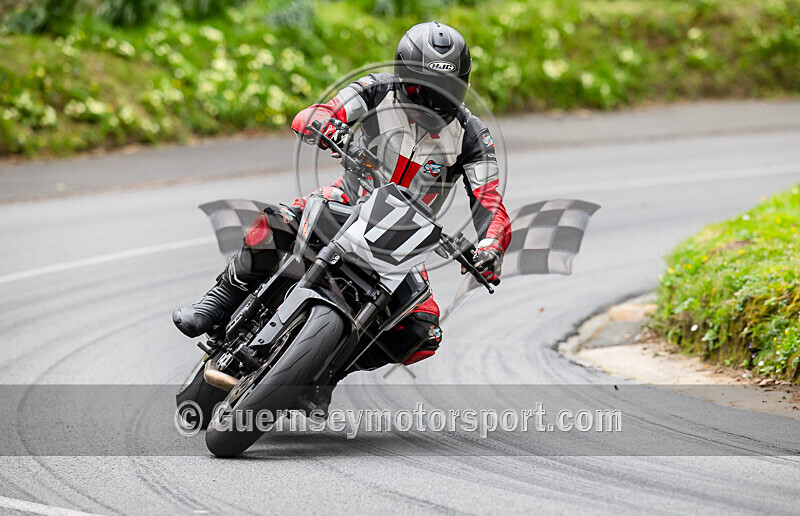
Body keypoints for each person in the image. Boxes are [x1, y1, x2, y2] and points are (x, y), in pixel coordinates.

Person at [173, 21, 510, 377]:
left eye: (445, 91)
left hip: (406, 242)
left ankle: (325, 374)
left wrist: (490, 247)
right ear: (400, 75)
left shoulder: (472, 136)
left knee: (422, 332)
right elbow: (315, 113)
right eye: (421, 87)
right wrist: (326, 126)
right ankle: (219, 300)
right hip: (346, 200)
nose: (431, 102)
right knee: (277, 223)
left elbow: (491, 203)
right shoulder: (376, 90)